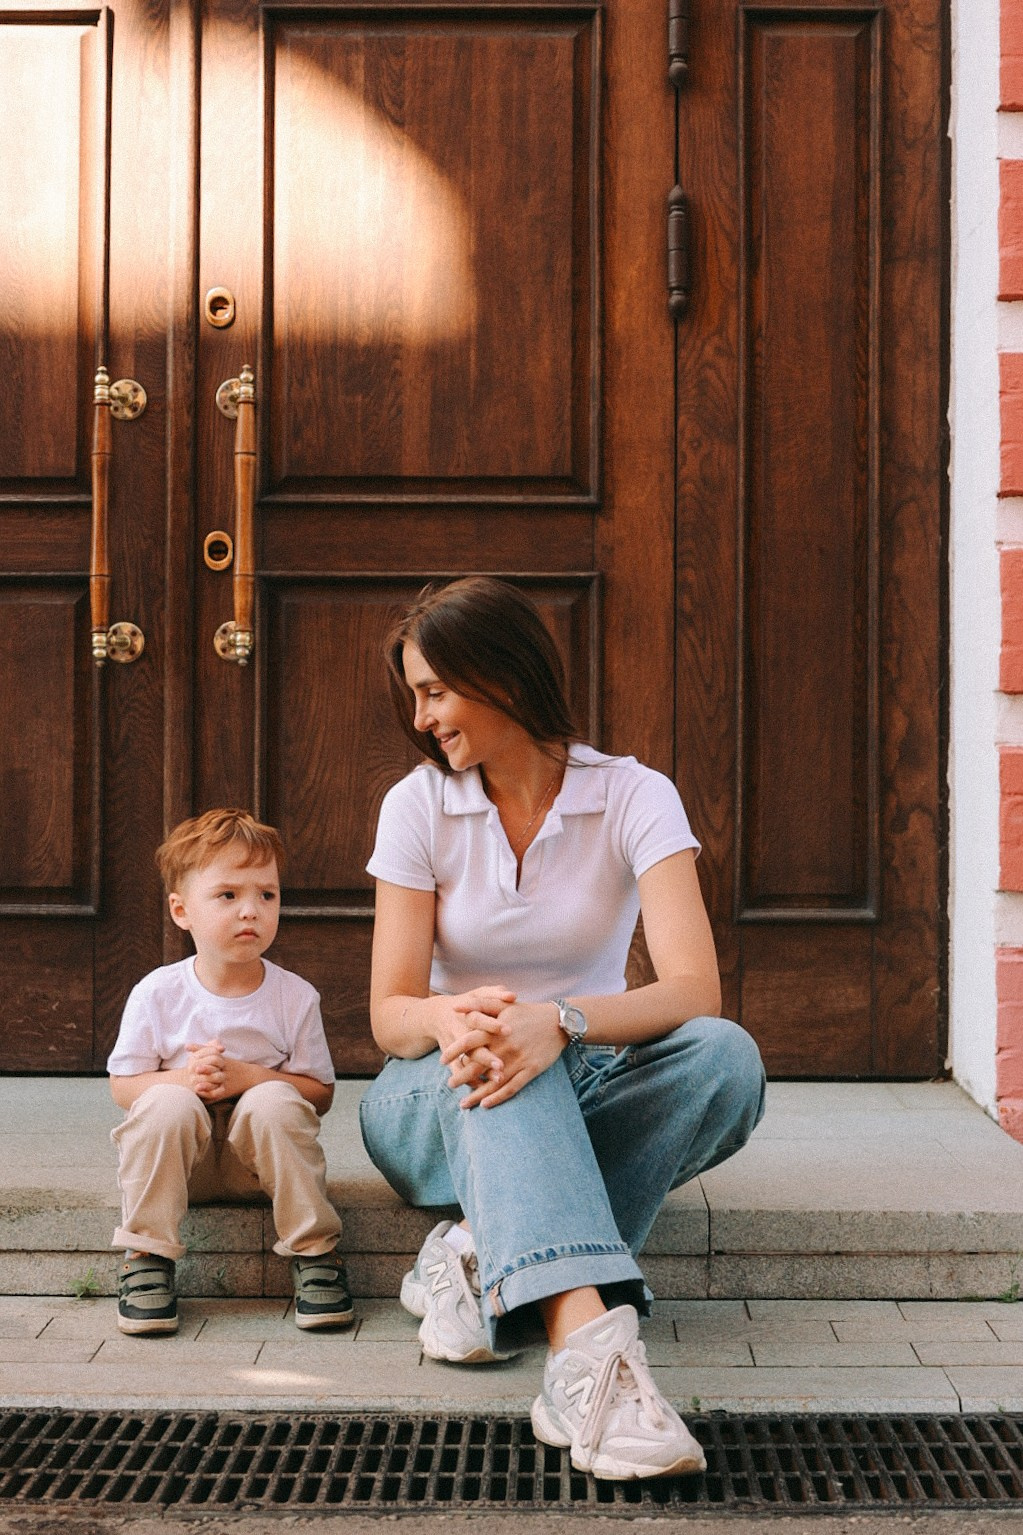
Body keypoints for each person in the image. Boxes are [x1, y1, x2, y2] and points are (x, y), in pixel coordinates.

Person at [359, 576, 766, 1482]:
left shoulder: (633, 795)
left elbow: (694, 988)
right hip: (430, 1093)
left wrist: (560, 1021)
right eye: (415, 695)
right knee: (498, 1046)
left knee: (725, 1059)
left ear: (502, 675)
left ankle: (475, 1252)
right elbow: (389, 1014)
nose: (421, 718)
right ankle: (588, 1366)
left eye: (435, 690)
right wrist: (448, 1014)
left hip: (579, 1071)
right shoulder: (417, 804)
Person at [107, 809, 352, 1336]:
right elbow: (123, 1087)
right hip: (182, 1169)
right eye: (227, 895)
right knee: (165, 1102)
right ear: (181, 911)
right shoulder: (157, 993)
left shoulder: (294, 997)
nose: (251, 910)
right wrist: (184, 1081)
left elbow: (321, 1094)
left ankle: (315, 1253)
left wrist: (249, 1078)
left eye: (267, 895)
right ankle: (146, 1256)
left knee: (275, 1100)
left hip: (259, 1170)